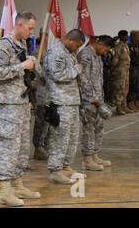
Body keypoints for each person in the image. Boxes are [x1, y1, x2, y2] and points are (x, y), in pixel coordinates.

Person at [0, 12, 41, 207]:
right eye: (29, 28)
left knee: (21, 147)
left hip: (21, 102)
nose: (31, 32)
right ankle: (4, 191)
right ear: (19, 24)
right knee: (9, 147)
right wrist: (22, 66)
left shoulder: (20, 44)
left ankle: (18, 184)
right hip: (9, 105)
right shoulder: (4, 44)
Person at [46, 29, 86, 184]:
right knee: (60, 137)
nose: (77, 49)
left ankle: (66, 166)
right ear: (70, 40)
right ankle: (55, 170)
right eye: (77, 46)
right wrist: (77, 69)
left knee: (72, 137)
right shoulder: (56, 52)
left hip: (72, 101)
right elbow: (58, 75)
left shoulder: (70, 53)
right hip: (61, 101)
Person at [78, 35, 114, 171]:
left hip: (98, 99)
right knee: (89, 130)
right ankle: (87, 159)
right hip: (88, 100)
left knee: (99, 128)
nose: (105, 52)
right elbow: (84, 80)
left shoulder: (97, 55)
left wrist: (100, 99)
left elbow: (97, 79)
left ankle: (95, 155)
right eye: (106, 49)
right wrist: (93, 98)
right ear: (100, 44)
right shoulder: (86, 55)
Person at [32, 36, 50, 160]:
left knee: (48, 122)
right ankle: (38, 147)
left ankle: (45, 145)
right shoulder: (37, 53)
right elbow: (39, 73)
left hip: (49, 94)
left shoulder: (49, 53)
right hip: (40, 93)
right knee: (40, 122)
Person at [127, 31, 139, 111]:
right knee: (132, 86)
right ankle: (130, 102)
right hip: (132, 68)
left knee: (137, 86)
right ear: (133, 36)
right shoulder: (129, 45)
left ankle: (136, 101)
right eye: (137, 35)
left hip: (138, 68)